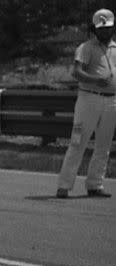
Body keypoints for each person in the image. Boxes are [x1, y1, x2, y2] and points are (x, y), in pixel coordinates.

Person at [56, 8, 115, 199]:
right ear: (94, 29)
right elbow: (76, 72)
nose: (104, 31)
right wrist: (94, 79)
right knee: (78, 141)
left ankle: (95, 185)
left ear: (113, 27)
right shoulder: (86, 47)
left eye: (108, 28)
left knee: (104, 145)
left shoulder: (115, 48)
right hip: (89, 98)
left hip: (112, 101)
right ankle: (64, 185)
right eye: (101, 28)